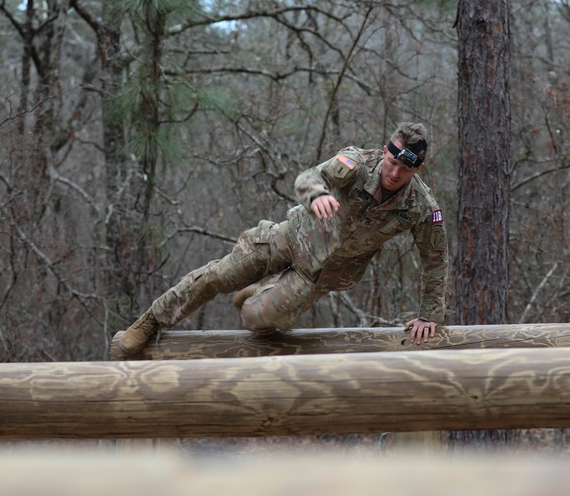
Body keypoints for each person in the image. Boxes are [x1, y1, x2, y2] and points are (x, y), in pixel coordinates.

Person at [119, 122, 448, 355]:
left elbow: (434, 260)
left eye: (404, 170)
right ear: (386, 153)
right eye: (392, 163)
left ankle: (262, 291)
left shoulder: (421, 207)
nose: (394, 173)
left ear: (417, 170)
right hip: (290, 239)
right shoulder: (357, 164)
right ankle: (151, 320)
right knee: (220, 276)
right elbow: (309, 176)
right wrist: (316, 194)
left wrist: (429, 315)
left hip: (319, 275)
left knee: (257, 319)